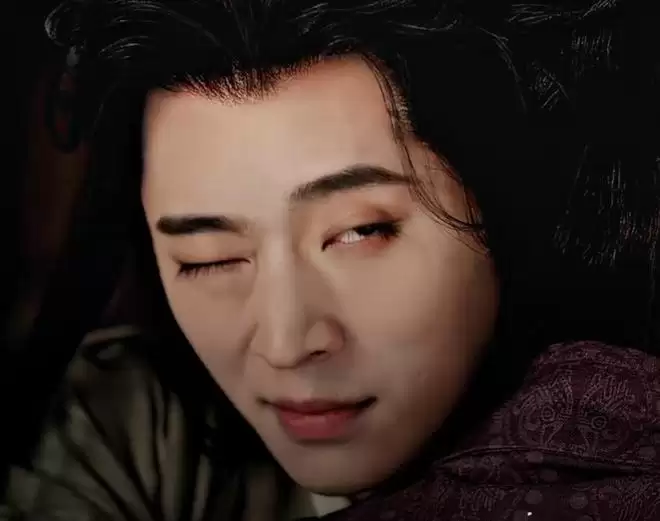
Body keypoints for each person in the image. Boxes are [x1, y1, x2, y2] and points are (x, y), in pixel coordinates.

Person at [3, 0, 659, 519]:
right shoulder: (120, 424)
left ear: (504, 202)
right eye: (208, 258)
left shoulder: (616, 424)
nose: (287, 343)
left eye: (360, 233)